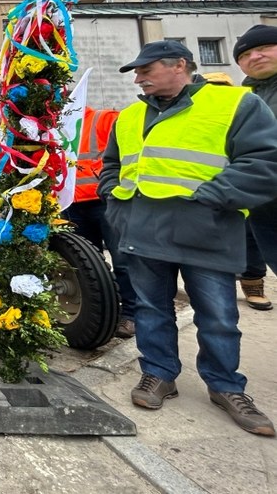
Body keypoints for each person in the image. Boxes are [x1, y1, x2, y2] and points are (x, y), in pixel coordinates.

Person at [99, 40, 277, 437]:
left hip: (207, 232)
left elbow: (264, 162)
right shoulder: (129, 117)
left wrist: (211, 198)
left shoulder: (235, 105)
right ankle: (159, 374)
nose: (139, 78)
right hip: (143, 230)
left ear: (180, 65)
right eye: (137, 72)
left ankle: (226, 385)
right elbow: (112, 165)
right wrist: (115, 203)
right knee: (149, 309)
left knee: (218, 317)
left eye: (147, 70)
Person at [64, 106, 137, 339]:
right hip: (73, 205)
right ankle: (103, 312)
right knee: (87, 265)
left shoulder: (103, 119)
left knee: (123, 260)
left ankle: (132, 315)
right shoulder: (55, 128)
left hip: (104, 201)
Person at [232, 25, 277, 311]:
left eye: (264, 48)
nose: (255, 56)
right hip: (264, 203)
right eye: (246, 53)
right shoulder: (243, 99)